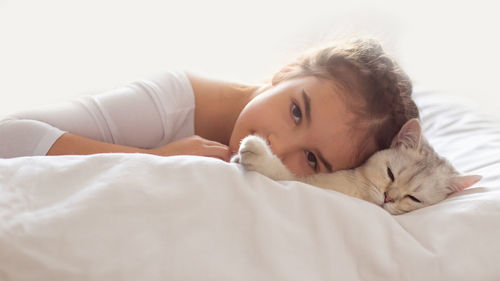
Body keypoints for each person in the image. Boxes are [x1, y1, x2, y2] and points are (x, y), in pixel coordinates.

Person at [0, 38, 419, 176]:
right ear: (288, 71)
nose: (276, 146)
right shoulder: (171, 103)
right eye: (296, 111)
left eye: (311, 158)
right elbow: (11, 135)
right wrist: (153, 160)